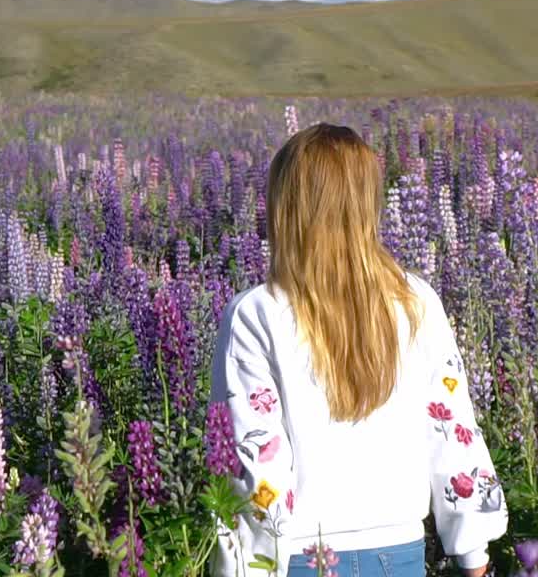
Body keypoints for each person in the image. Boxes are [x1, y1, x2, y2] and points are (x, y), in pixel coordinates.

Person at [210, 123, 508, 577]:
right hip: (400, 556)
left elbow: (256, 465)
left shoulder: (256, 313)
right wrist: (473, 554)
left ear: (287, 206)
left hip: (297, 561)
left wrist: (245, 569)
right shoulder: (416, 301)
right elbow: (453, 435)